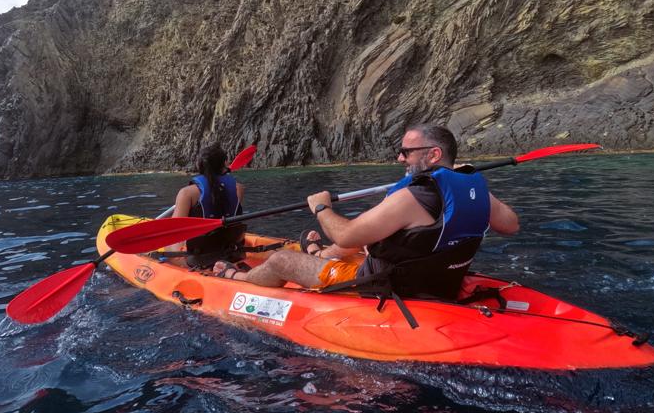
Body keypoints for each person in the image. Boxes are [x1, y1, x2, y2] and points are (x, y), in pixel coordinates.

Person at [213, 125, 518, 300]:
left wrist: (321, 207)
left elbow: (345, 232)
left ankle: (235, 276)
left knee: (280, 260)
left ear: (433, 154)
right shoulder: (474, 190)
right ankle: (321, 253)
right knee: (361, 242)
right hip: (439, 282)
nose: (400, 157)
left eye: (406, 152)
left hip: (385, 284)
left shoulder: (411, 198)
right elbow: (510, 225)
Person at [173, 144, 247, 268]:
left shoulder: (187, 193)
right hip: (231, 253)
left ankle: (181, 267)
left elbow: (174, 230)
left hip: (200, 259)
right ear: (225, 163)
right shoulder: (239, 188)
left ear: (199, 165)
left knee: (172, 240)